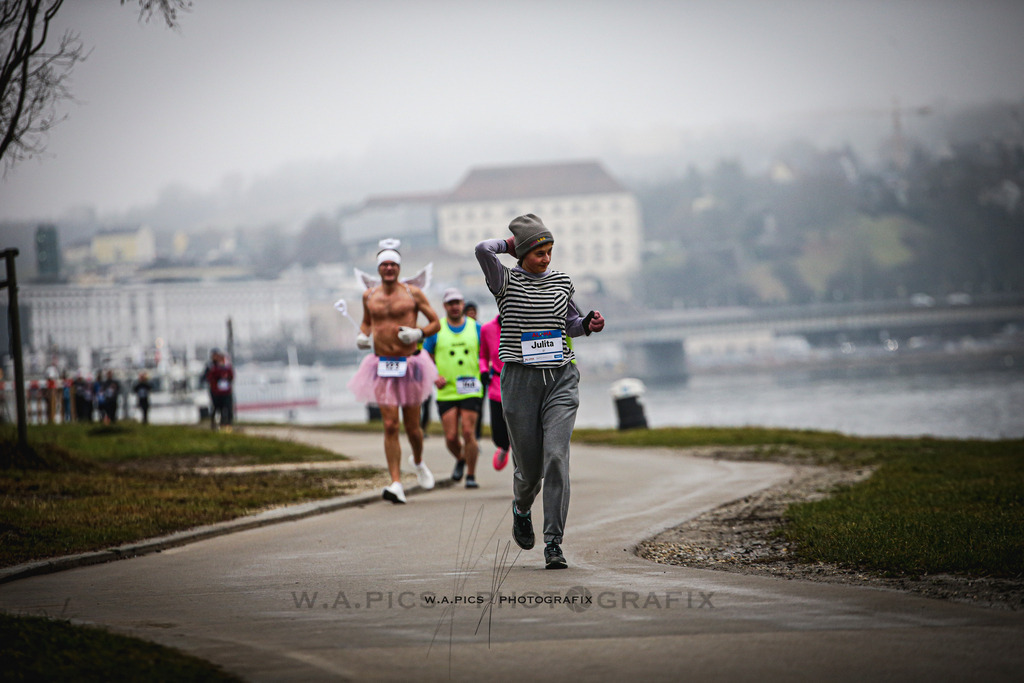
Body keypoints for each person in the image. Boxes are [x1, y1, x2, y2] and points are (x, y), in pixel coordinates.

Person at [475, 214, 606, 569]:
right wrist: (511, 244)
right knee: (530, 471)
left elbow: (571, 323)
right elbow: (483, 249)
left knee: (557, 458)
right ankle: (521, 508)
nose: (546, 258)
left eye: (550, 251)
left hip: (561, 378)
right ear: (522, 253)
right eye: (538, 252)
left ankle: (553, 543)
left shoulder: (562, 282)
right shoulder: (504, 281)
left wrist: (588, 324)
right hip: (519, 382)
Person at [348, 241, 441, 504]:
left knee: (413, 428)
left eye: (393, 264)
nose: (388, 268)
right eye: (384, 265)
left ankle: (418, 461)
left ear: (399, 268)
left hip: (410, 364)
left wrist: (418, 333)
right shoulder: (369, 296)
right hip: (382, 364)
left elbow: (435, 323)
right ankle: (396, 483)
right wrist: (362, 336)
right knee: (390, 425)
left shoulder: (413, 294)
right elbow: (367, 322)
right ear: (378, 268)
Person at [423, 288, 483, 488]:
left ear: (463, 304)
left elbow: (487, 352)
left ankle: (471, 475)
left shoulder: (476, 328)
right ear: (444, 306)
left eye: (458, 302)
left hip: (471, 388)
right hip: (447, 390)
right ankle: (461, 458)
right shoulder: (436, 329)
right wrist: (434, 376)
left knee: (468, 432)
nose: (455, 307)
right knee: (450, 437)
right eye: (451, 303)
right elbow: (425, 357)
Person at [479, 314, 510, 470]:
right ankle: (503, 447)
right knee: (498, 435)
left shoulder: (522, 324)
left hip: (520, 385)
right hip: (496, 384)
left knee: (521, 434)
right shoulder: (487, 329)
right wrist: (483, 370)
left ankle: (523, 473)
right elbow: (482, 356)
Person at [205, 350, 234, 431]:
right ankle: (215, 423)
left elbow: (231, 377)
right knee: (217, 408)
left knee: (227, 408)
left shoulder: (227, 368)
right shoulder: (213, 368)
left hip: (226, 392)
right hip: (216, 392)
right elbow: (209, 377)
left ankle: (227, 423)